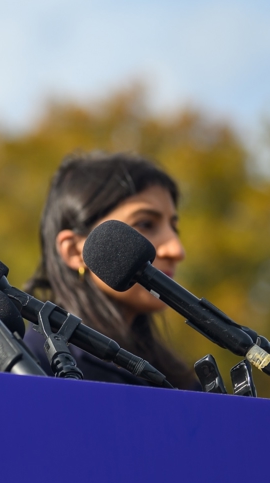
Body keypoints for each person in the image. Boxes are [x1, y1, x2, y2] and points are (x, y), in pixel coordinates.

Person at [23, 152, 200, 390]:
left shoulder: (180, 380)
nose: (176, 250)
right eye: (146, 224)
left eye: (174, 228)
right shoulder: (28, 366)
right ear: (76, 251)